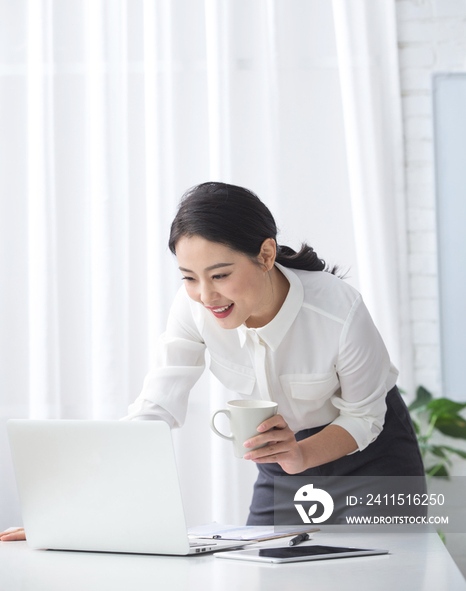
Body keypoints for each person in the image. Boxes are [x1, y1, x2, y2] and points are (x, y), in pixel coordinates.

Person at [1, 181, 425, 540]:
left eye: (220, 275)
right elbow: (155, 409)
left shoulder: (338, 310)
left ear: (265, 255)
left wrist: (301, 454)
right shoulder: (192, 310)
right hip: (282, 461)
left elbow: (364, 418)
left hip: (373, 458)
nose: (206, 295)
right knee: (265, 577)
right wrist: (72, 514)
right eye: (189, 278)